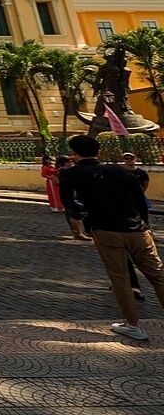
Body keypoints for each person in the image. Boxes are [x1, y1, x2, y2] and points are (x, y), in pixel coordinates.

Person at [59, 134, 164, 341]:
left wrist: (84, 213)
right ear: (99, 151)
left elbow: (68, 203)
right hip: (137, 230)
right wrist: (145, 225)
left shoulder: (71, 174)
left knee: (120, 278)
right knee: (158, 275)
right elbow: (141, 201)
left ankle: (132, 325)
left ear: (74, 153)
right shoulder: (120, 170)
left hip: (105, 229)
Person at [123, 152, 152, 301]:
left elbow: (145, 184)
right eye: (126, 158)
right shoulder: (120, 173)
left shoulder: (140, 173)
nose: (128, 161)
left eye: (130, 158)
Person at [58, 155, 90, 240]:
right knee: (74, 214)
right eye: (70, 161)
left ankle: (79, 232)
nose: (72, 163)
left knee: (73, 214)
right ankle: (77, 233)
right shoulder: (65, 172)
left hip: (67, 196)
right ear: (65, 163)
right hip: (69, 196)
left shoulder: (62, 171)